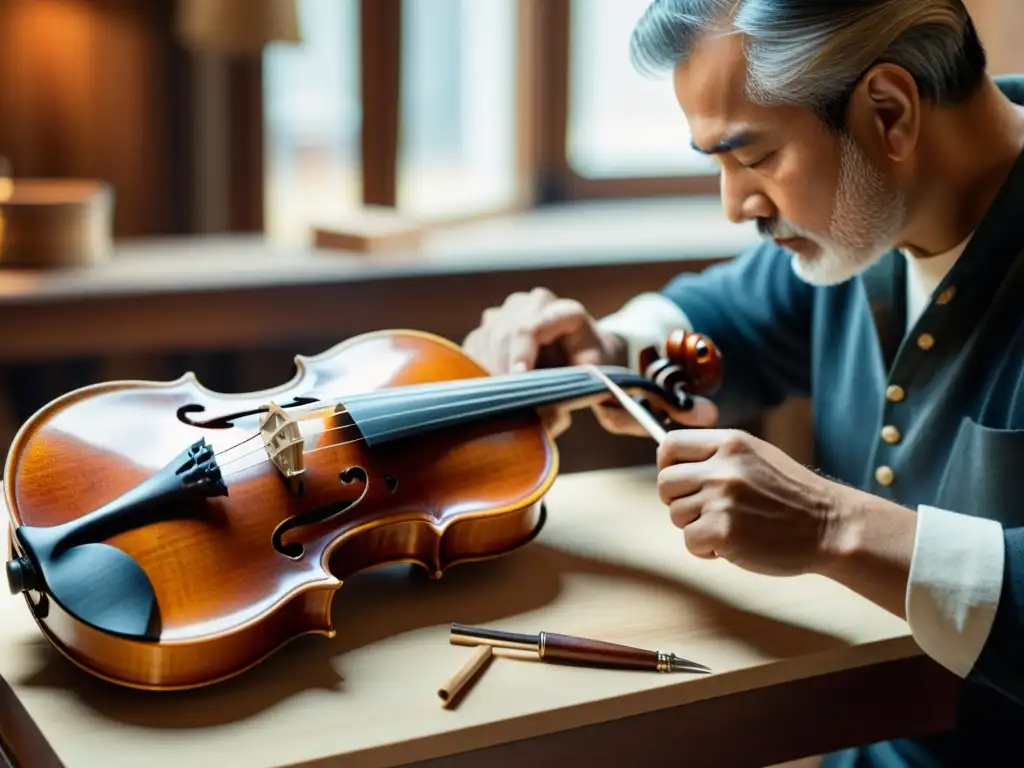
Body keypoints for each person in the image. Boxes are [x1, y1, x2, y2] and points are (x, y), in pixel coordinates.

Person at [463, 1, 1024, 766]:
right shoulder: (877, 212)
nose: (735, 205)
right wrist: (606, 348)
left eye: (753, 156)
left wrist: (834, 527)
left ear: (888, 113)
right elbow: (733, 311)